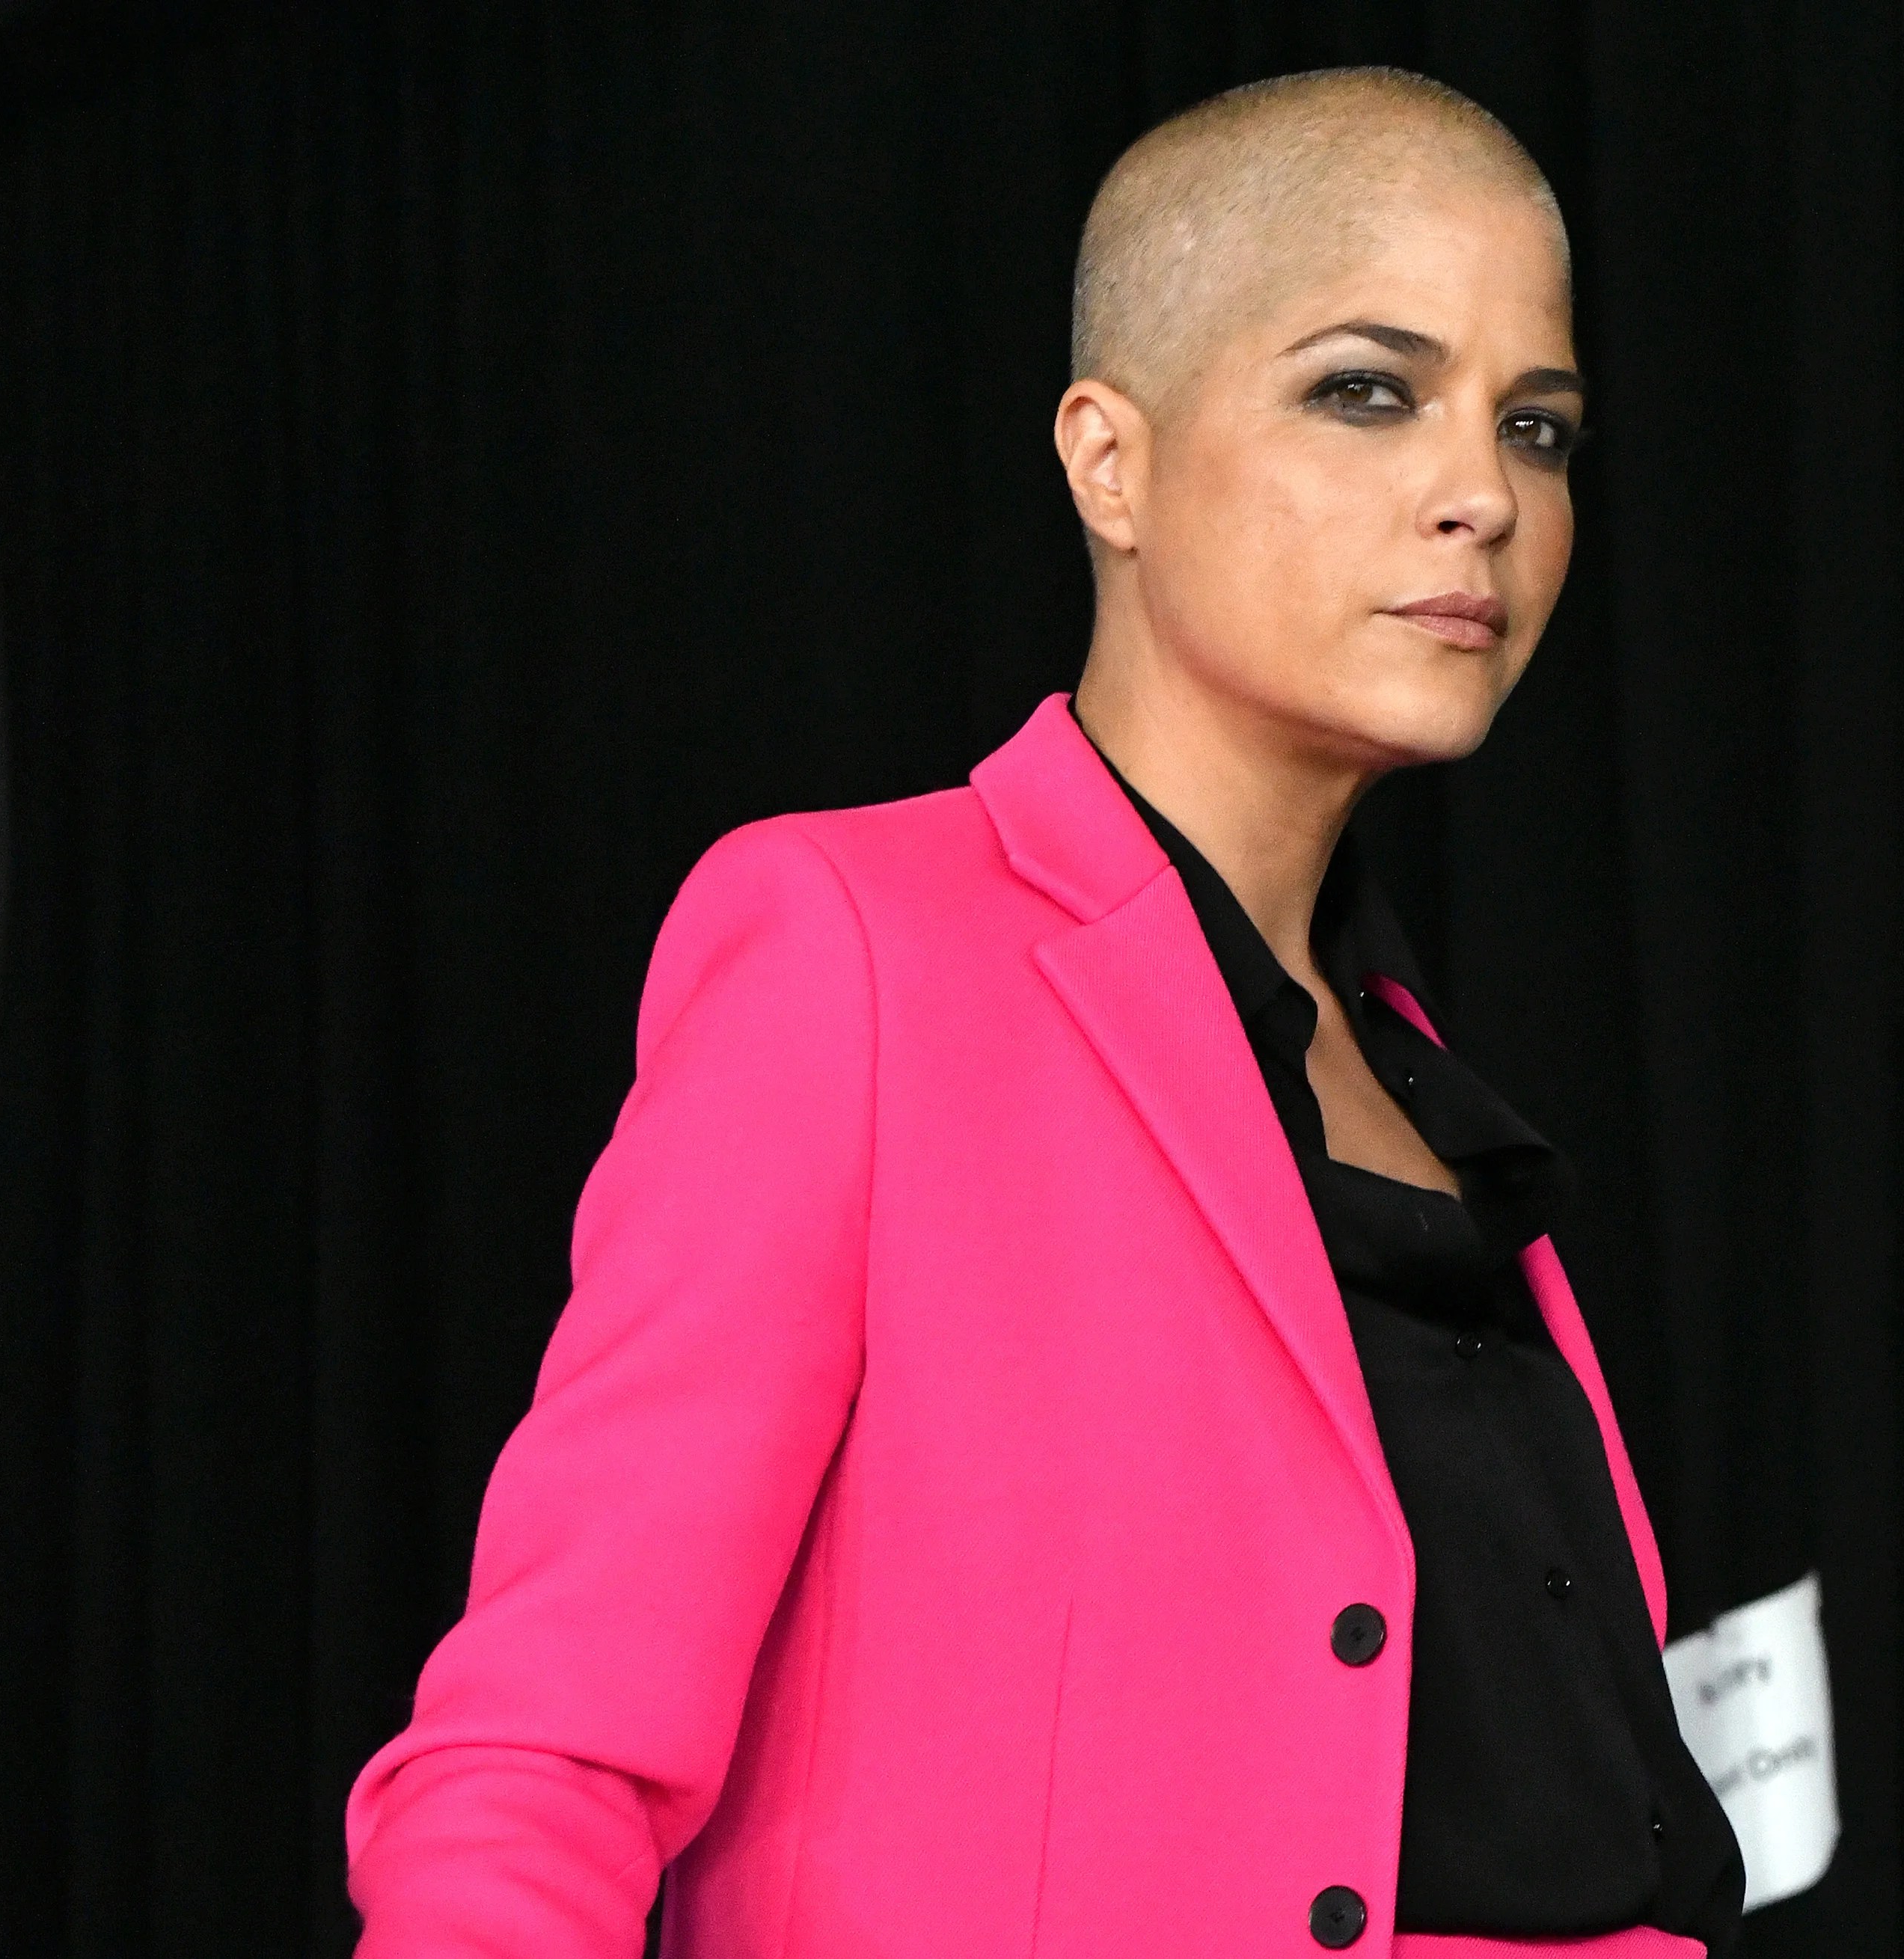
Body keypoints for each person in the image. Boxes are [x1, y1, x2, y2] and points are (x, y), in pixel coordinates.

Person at [343, 67, 1745, 1959]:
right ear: (1110, 461)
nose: (1482, 494)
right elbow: (543, 1749)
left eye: (1537, 425)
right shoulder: (854, 949)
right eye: (1367, 390)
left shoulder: (1421, 1072)